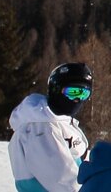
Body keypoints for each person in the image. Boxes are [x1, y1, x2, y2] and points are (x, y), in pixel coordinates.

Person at [10, 62, 93, 192]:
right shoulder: (40, 129)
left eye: (84, 94)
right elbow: (64, 181)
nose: (78, 99)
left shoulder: (59, 122)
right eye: (73, 92)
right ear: (56, 89)